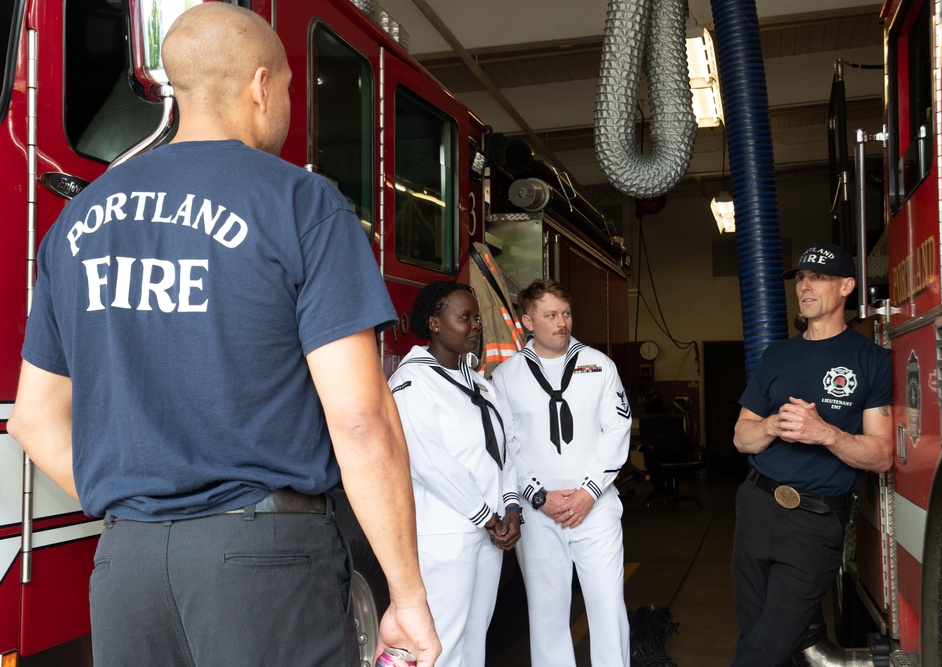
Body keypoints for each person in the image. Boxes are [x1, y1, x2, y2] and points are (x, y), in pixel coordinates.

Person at [7, 4, 440, 666]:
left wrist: (146, 496)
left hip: (127, 566)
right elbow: (361, 419)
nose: (288, 104)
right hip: (262, 565)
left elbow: (32, 420)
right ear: (260, 86)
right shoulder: (302, 202)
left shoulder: (78, 221)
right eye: (291, 88)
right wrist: (407, 596)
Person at [731, 243, 892, 666]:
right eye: (800, 278)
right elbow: (741, 439)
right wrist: (771, 424)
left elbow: (881, 456)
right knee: (758, 635)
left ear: (846, 286)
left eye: (817, 277)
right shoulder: (777, 355)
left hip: (815, 521)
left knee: (768, 645)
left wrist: (825, 433)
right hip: (757, 507)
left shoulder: (872, 361)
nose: (804, 285)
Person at [490, 279, 632, 667]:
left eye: (566, 313)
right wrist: (538, 496)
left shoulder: (599, 366)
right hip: (539, 512)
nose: (562, 322)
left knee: (607, 606)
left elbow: (617, 430)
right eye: (551, 315)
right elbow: (506, 446)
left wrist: (589, 491)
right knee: (547, 611)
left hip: (595, 506)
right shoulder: (505, 376)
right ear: (528, 321)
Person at [389, 281, 521, 667]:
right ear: (433, 323)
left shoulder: (479, 382)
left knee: (474, 639)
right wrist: (487, 515)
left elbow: (503, 452)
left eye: (477, 317)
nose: (476, 325)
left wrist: (511, 508)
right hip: (446, 534)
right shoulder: (413, 382)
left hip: (489, 533)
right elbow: (429, 462)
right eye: (465, 317)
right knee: (441, 643)